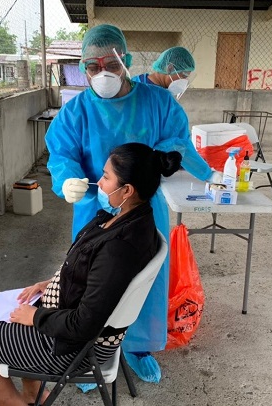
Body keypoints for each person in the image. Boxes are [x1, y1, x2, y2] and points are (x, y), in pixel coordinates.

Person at [45, 24, 221, 384]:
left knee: (145, 279)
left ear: (124, 60)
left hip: (144, 210)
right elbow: (61, 152)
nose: (101, 73)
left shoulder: (157, 102)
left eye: (109, 63)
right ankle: (89, 355)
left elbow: (177, 138)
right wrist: (67, 181)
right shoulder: (77, 111)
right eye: (91, 67)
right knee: (89, 285)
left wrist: (170, 156)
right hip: (95, 210)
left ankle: (138, 346)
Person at [0, 143, 183, 405]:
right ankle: (32, 394)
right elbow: (97, 279)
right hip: (67, 312)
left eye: (106, 177)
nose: (99, 182)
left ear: (127, 190)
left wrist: (35, 316)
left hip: (73, 345)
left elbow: (85, 323)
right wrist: (50, 283)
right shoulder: (130, 219)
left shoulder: (120, 247)